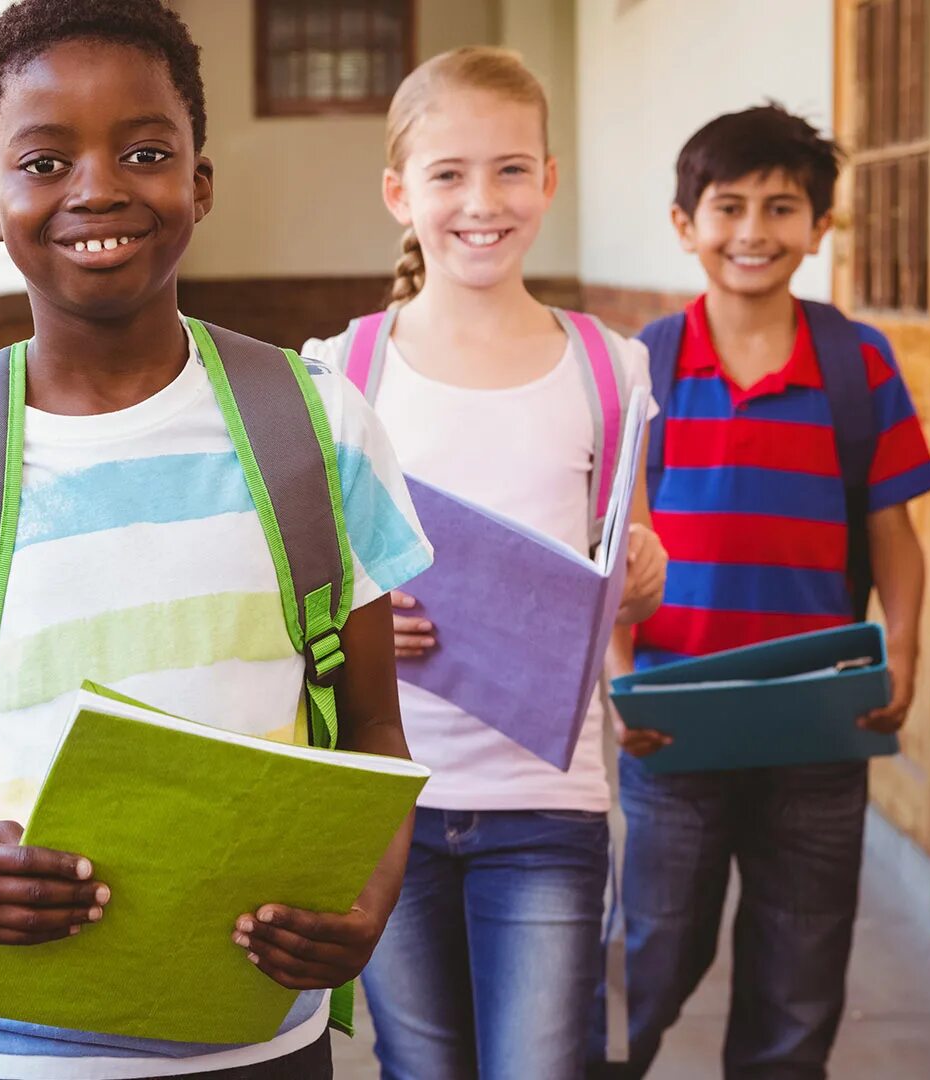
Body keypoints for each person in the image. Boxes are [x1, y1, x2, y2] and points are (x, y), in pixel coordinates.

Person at [0, 2, 437, 1076]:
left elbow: (374, 735)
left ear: (200, 182)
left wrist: (369, 896)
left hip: (256, 1034)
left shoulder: (315, 425)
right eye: (44, 160)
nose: (99, 188)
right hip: (1, 1047)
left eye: (147, 151)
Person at [300, 46, 669, 1080]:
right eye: (449, 173)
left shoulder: (609, 364)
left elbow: (637, 557)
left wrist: (641, 571)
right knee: (421, 1069)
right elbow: (308, 587)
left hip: (550, 801)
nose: (482, 201)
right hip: (391, 801)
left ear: (550, 180)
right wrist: (360, 615)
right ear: (398, 193)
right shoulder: (345, 371)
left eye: (511, 169)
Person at [601, 103, 930, 1080]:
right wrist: (621, 681)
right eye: (729, 207)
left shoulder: (857, 362)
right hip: (675, 723)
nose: (753, 231)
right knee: (645, 964)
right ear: (684, 224)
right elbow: (613, 545)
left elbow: (894, 535)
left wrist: (903, 658)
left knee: (799, 980)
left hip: (819, 727)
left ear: (819, 228)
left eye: (782, 208)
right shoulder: (645, 369)